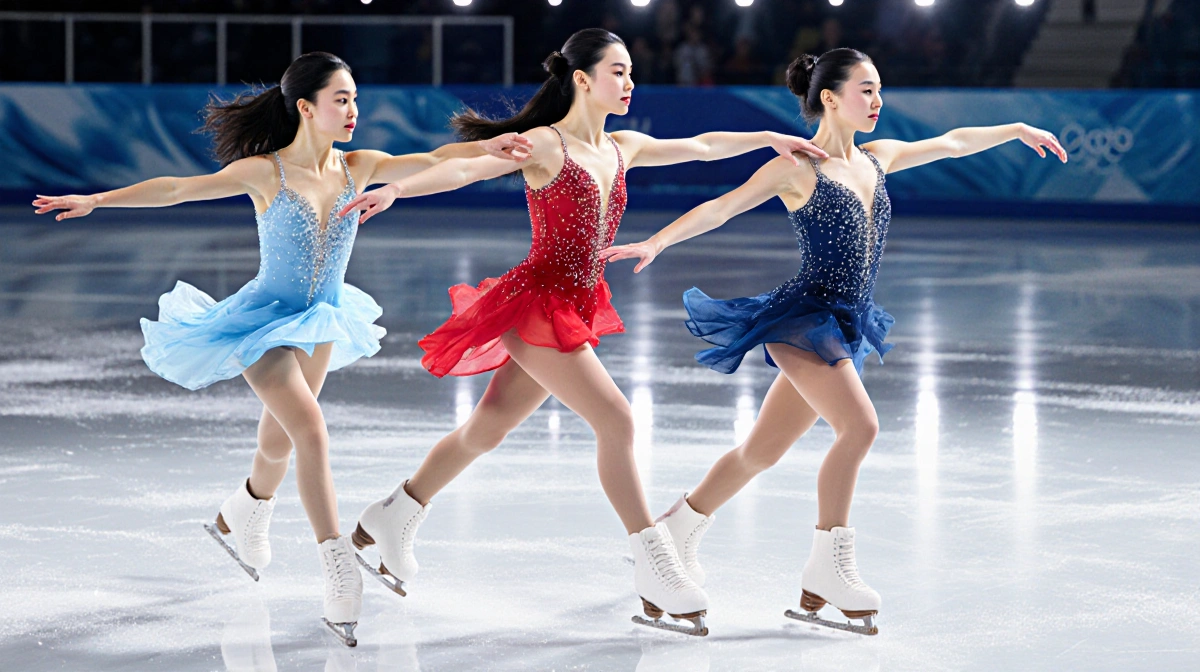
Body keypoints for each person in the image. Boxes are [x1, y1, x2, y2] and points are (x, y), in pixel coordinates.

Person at [336, 29, 828, 636]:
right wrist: (398, 189)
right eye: (617, 72)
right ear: (582, 79)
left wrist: (769, 138)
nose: (628, 83)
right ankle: (655, 565)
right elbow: (467, 170)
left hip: (576, 301)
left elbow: (702, 146)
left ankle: (393, 513)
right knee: (618, 421)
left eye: (630, 74)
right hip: (535, 302)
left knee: (486, 430)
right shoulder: (546, 144)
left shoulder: (623, 145)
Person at [31, 51, 532, 646]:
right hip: (261, 324)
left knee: (277, 444)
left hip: (320, 319)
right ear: (305, 106)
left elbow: (431, 158)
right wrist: (99, 200)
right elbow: (177, 189)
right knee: (311, 431)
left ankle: (241, 512)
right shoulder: (265, 172)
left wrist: (488, 149)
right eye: (340, 99)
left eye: (354, 99)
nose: (352, 110)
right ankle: (338, 565)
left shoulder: (359, 165)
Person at [601, 47, 1067, 635]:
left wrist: (1016, 129)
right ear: (830, 97)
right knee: (861, 426)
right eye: (865, 90)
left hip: (848, 321)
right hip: (804, 321)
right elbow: (722, 207)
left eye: (879, 90)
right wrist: (657, 242)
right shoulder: (801, 167)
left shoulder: (879, 158)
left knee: (761, 452)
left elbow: (952, 142)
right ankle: (828, 564)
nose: (877, 101)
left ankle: (675, 530)